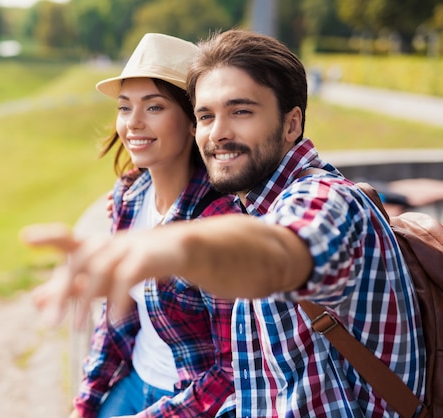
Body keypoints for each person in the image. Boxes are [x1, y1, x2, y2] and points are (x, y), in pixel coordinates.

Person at [24, 28, 427, 417]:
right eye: (206, 115)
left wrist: (174, 246)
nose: (218, 133)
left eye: (241, 111)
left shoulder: (326, 199)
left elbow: (279, 251)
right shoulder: (249, 204)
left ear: (291, 124)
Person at [32, 33, 238, 418]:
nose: (133, 123)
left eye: (154, 107)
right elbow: (116, 320)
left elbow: (230, 372)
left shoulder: (218, 221)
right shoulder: (129, 197)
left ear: (194, 120)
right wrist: (86, 402)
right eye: (125, 108)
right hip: (133, 382)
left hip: (192, 401)